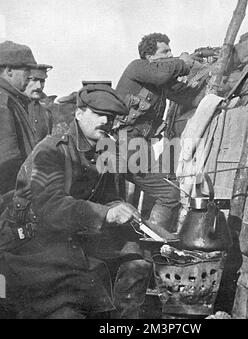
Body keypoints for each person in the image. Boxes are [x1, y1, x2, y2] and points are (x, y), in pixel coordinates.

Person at [0, 84, 152, 319]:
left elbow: (106, 196)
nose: (105, 121)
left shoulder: (103, 151)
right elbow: (50, 206)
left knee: (137, 264)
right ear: (79, 114)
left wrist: (117, 205)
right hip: (32, 242)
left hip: (75, 235)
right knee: (71, 305)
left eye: (110, 117)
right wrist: (105, 214)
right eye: (98, 114)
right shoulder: (51, 150)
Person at [116, 32, 201, 231]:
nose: (170, 54)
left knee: (157, 189)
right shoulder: (137, 67)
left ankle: (142, 239)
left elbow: (186, 96)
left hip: (137, 145)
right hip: (123, 142)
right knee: (169, 194)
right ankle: (152, 243)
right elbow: (161, 73)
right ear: (150, 56)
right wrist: (183, 62)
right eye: (165, 51)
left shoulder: (159, 82)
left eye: (171, 50)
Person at [0, 40, 51, 196]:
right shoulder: (4, 102)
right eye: (26, 70)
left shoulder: (13, 100)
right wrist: (16, 199)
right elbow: (8, 160)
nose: (30, 76)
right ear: (9, 71)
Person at [24, 65, 53, 143]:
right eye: (34, 80)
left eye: (42, 81)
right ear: (23, 80)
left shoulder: (46, 113)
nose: (39, 86)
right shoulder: (9, 107)